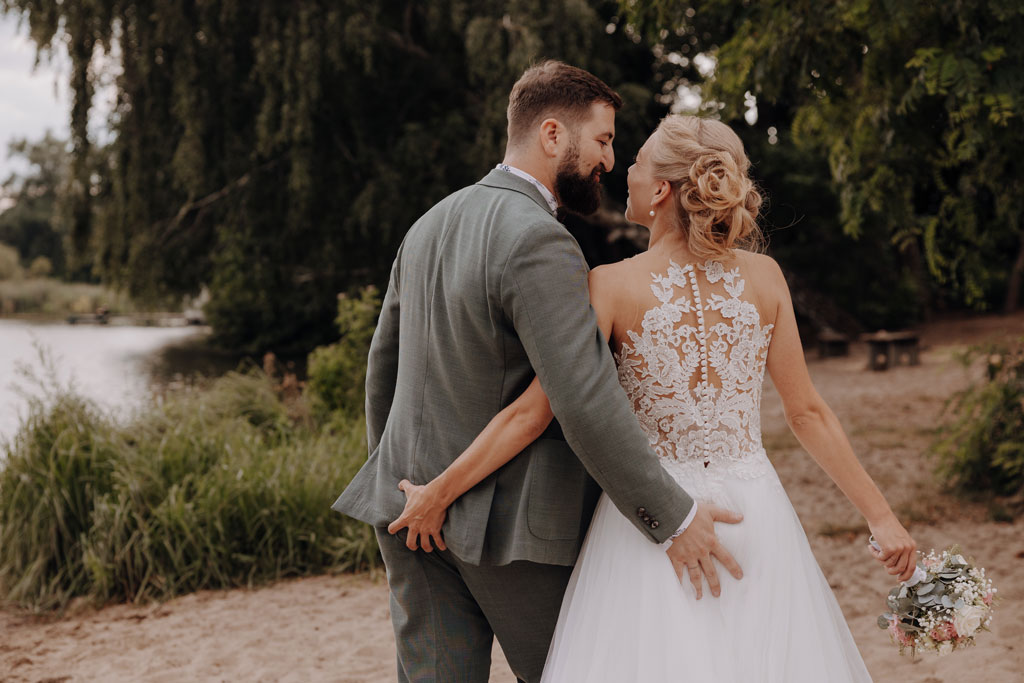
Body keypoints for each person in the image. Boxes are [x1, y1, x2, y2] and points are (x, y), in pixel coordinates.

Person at [388, 114, 918, 681]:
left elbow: (532, 413)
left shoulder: (610, 285)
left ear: (662, 190)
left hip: (649, 524)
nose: (623, 170)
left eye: (636, 162)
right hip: (755, 513)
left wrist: (439, 491)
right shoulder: (766, 278)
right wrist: (882, 519)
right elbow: (808, 413)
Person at [331, 61, 746, 683]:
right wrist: (672, 517)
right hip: (514, 531)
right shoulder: (540, 240)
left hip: (409, 514)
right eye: (603, 140)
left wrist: (400, 484)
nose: (609, 160)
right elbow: (583, 399)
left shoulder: (428, 225)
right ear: (553, 135)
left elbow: (382, 371)